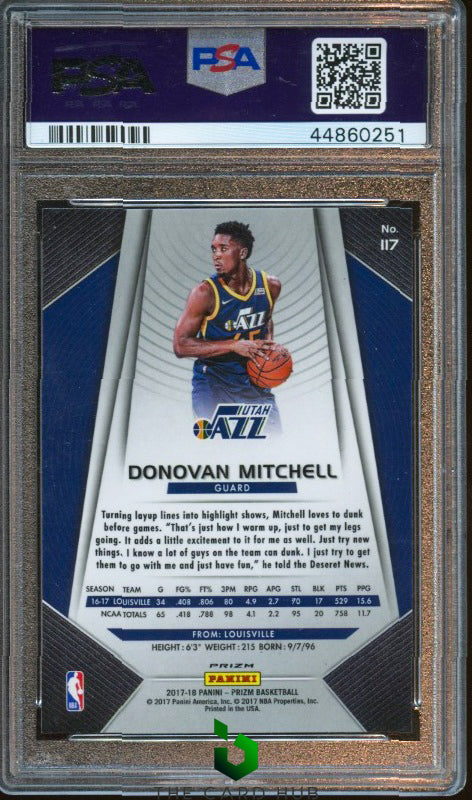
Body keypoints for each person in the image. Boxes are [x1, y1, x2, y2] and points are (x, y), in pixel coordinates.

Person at [173, 221, 282, 432]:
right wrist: (233, 345)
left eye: (223, 249)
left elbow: (266, 318)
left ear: (242, 253)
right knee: (215, 445)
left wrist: (268, 344)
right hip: (214, 382)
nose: (216, 255)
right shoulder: (204, 293)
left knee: (275, 443)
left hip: (253, 380)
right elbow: (180, 345)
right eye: (213, 249)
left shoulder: (270, 286)